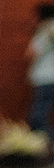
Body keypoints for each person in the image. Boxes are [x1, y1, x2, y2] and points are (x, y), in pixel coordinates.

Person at [32, 1, 54, 138]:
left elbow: (32, 52)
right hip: (50, 78)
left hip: (44, 77)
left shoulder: (45, 30)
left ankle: (46, 144)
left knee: (37, 117)